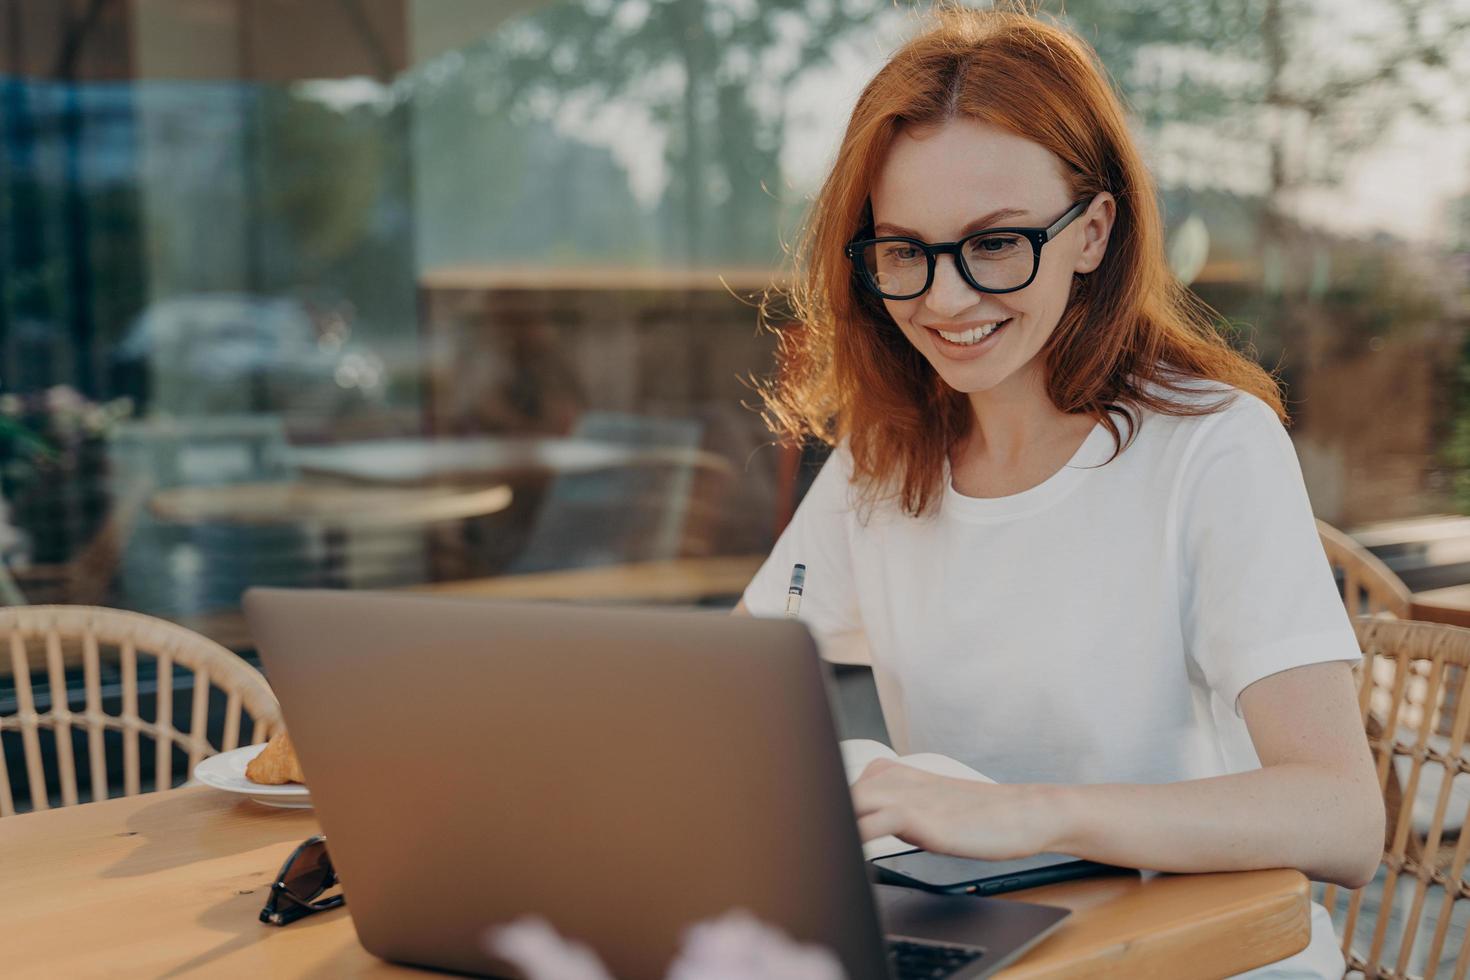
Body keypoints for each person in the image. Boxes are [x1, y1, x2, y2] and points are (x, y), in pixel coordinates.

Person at [733, 6, 1383, 978]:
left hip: (1203, 957)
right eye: (904, 250)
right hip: (1006, 956)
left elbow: (1342, 815)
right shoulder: (885, 461)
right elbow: (734, 689)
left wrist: (1025, 812)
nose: (946, 299)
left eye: (995, 243)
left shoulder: (1211, 447)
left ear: (1093, 231)